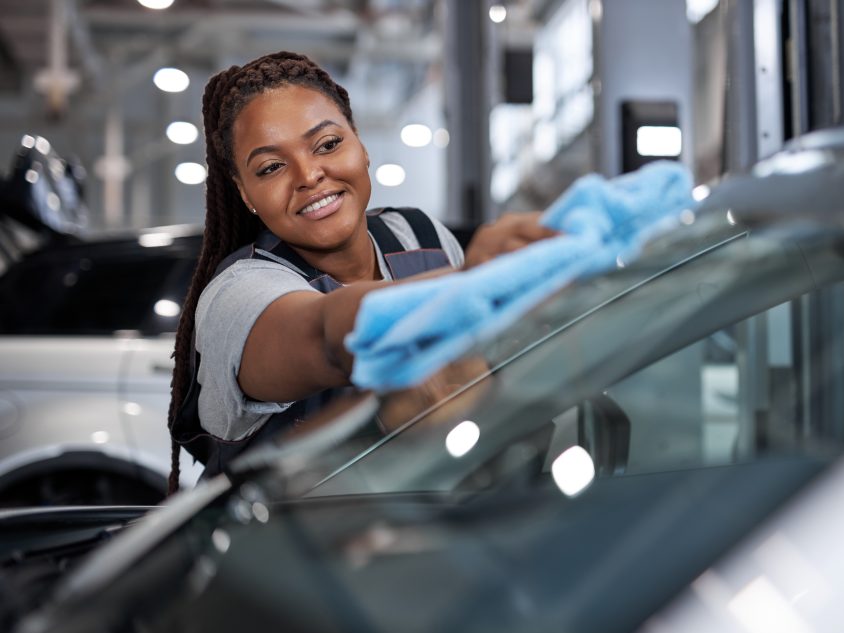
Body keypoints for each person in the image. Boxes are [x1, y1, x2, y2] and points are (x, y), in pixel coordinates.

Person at [167, 51, 555, 492]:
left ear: (361, 145)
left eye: (328, 144)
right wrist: (475, 285)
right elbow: (329, 334)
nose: (309, 175)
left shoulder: (417, 234)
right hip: (277, 546)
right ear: (245, 193)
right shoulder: (239, 294)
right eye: (271, 167)